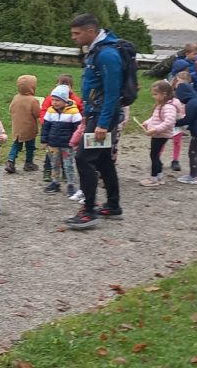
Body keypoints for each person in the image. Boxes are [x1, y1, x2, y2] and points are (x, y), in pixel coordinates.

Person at [67, 13, 128, 230]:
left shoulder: (107, 54)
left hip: (103, 116)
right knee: (102, 160)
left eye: (77, 33)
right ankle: (113, 205)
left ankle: (89, 210)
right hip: (97, 113)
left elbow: (112, 92)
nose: (73, 37)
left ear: (91, 31)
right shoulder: (97, 50)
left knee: (83, 158)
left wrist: (102, 124)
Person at [40, 85, 83, 200]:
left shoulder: (74, 112)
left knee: (68, 165)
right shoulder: (50, 111)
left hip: (67, 145)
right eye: (53, 100)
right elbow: (46, 127)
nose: (54, 102)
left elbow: (78, 128)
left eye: (57, 100)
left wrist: (76, 142)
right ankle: (55, 182)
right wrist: (44, 140)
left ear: (65, 100)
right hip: (53, 143)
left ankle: (70, 184)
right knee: (54, 164)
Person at [39, 74, 85, 178]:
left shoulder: (75, 100)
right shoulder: (51, 98)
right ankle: (48, 172)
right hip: (53, 134)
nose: (64, 86)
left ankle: (66, 174)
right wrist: (45, 121)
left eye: (66, 85)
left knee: (67, 157)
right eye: (61, 84)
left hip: (67, 137)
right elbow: (44, 110)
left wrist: (78, 133)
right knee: (51, 156)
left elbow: (80, 112)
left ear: (71, 87)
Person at [140, 81, 179, 188]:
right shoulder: (161, 105)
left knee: (154, 155)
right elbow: (155, 117)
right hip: (158, 134)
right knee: (155, 154)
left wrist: (155, 130)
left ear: (164, 94)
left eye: (156, 94)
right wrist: (147, 122)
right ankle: (159, 176)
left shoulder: (169, 107)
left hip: (161, 134)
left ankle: (154, 179)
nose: (153, 97)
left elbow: (169, 122)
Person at [7, 75, 41, 173]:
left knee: (16, 145)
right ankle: (28, 163)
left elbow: (10, 109)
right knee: (30, 146)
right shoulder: (33, 100)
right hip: (29, 128)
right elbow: (37, 114)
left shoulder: (16, 97)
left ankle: (10, 161)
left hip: (17, 127)